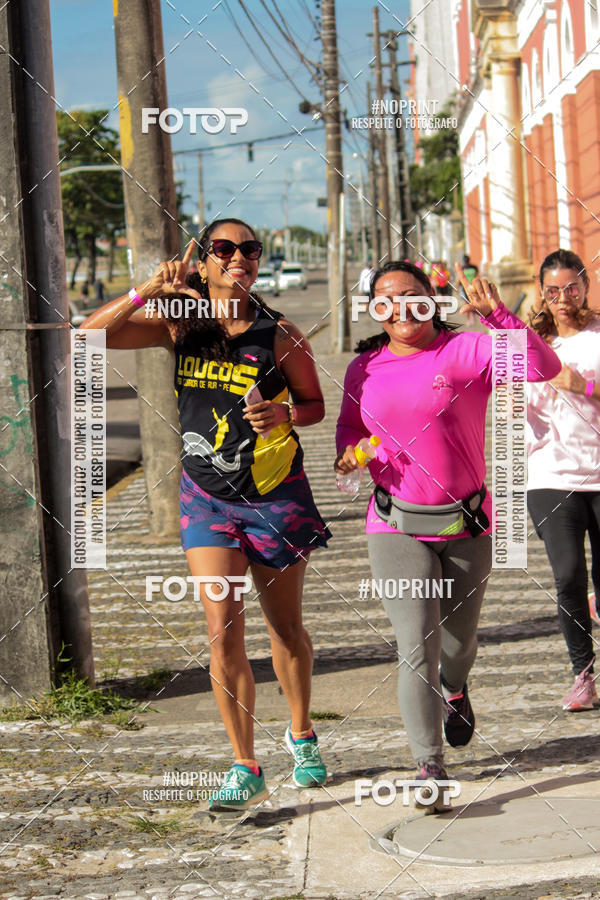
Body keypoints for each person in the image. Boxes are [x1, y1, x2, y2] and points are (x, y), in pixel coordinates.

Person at [80, 217, 331, 808]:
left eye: (249, 248)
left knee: (285, 628)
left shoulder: (280, 335)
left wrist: (287, 417)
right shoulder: (180, 323)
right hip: (206, 499)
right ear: (204, 260)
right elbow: (89, 335)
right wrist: (147, 291)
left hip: (275, 498)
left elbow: (315, 403)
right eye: (224, 248)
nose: (238, 256)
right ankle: (245, 763)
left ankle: (302, 733)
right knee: (222, 634)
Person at [334, 261, 561, 812]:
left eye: (411, 296)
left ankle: (455, 688)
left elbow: (543, 365)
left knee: (457, 644)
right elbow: (345, 446)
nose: (399, 309)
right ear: (374, 309)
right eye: (385, 300)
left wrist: (498, 316)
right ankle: (428, 763)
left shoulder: (468, 352)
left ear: (431, 300)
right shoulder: (364, 368)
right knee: (417, 643)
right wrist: (354, 457)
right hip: (393, 522)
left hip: (467, 522)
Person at [526, 249, 600, 711]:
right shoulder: (533, 344)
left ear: (585, 286)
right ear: (542, 293)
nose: (563, 298)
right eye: (553, 290)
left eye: (571, 287)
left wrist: (585, 386)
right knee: (568, 574)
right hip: (551, 475)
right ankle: (583, 675)